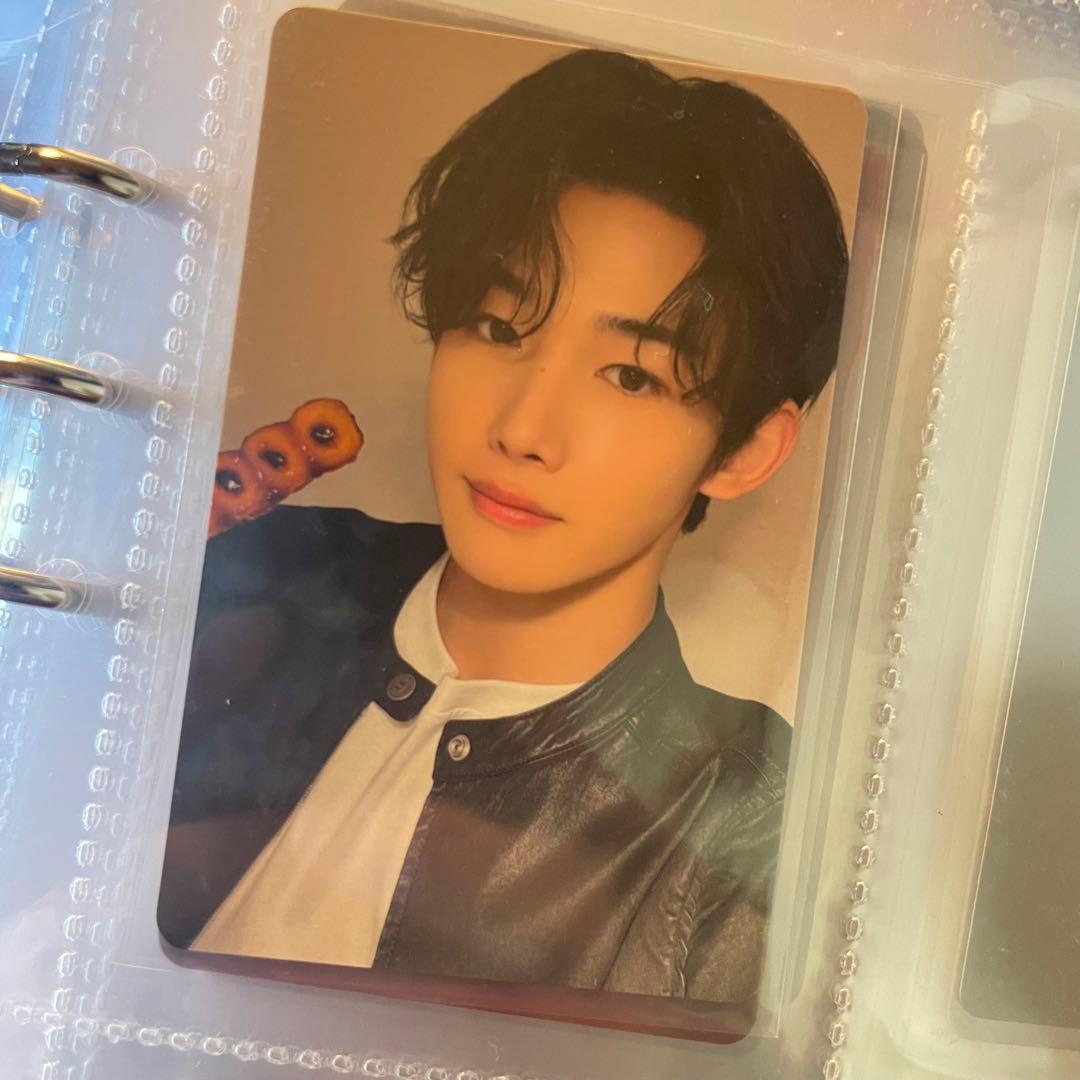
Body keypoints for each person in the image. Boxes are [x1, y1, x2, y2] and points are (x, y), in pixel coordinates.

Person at [158, 48, 848, 1014]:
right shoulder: (264, 566)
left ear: (744, 451)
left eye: (632, 376)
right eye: (497, 329)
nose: (522, 430)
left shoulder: (761, 825)